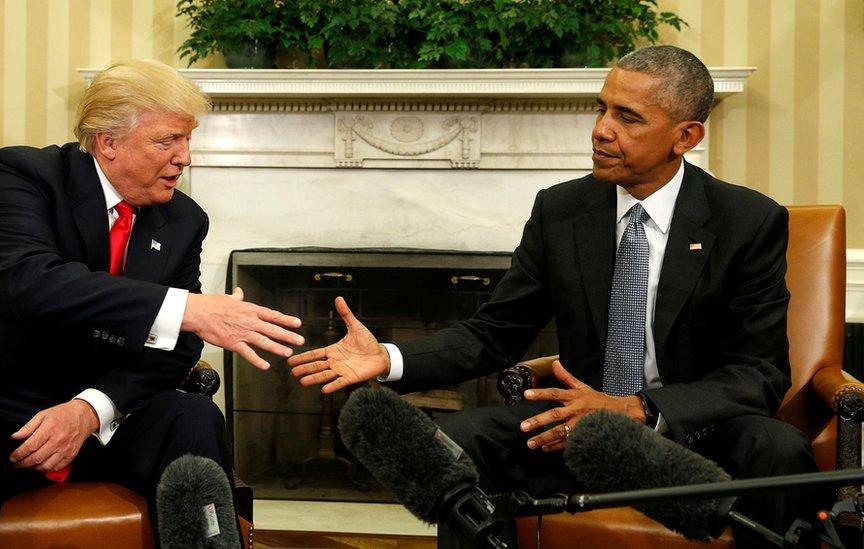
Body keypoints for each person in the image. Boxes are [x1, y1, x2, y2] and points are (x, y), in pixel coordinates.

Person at [289, 45, 820, 547]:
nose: (601, 131)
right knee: (462, 439)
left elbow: (758, 373)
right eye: (601, 109)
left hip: (693, 431)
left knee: (778, 449)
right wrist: (390, 357)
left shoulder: (746, 221)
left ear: (685, 136)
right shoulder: (562, 211)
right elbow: (495, 333)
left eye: (628, 118)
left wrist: (638, 407)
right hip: (577, 430)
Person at [0, 59, 304, 548]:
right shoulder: (23, 176)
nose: (185, 158)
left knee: (193, 418)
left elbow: (174, 350)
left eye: (188, 140)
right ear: (107, 141)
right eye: (167, 141)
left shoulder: (183, 220)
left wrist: (90, 410)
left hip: (103, 420)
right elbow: (35, 283)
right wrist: (188, 308)